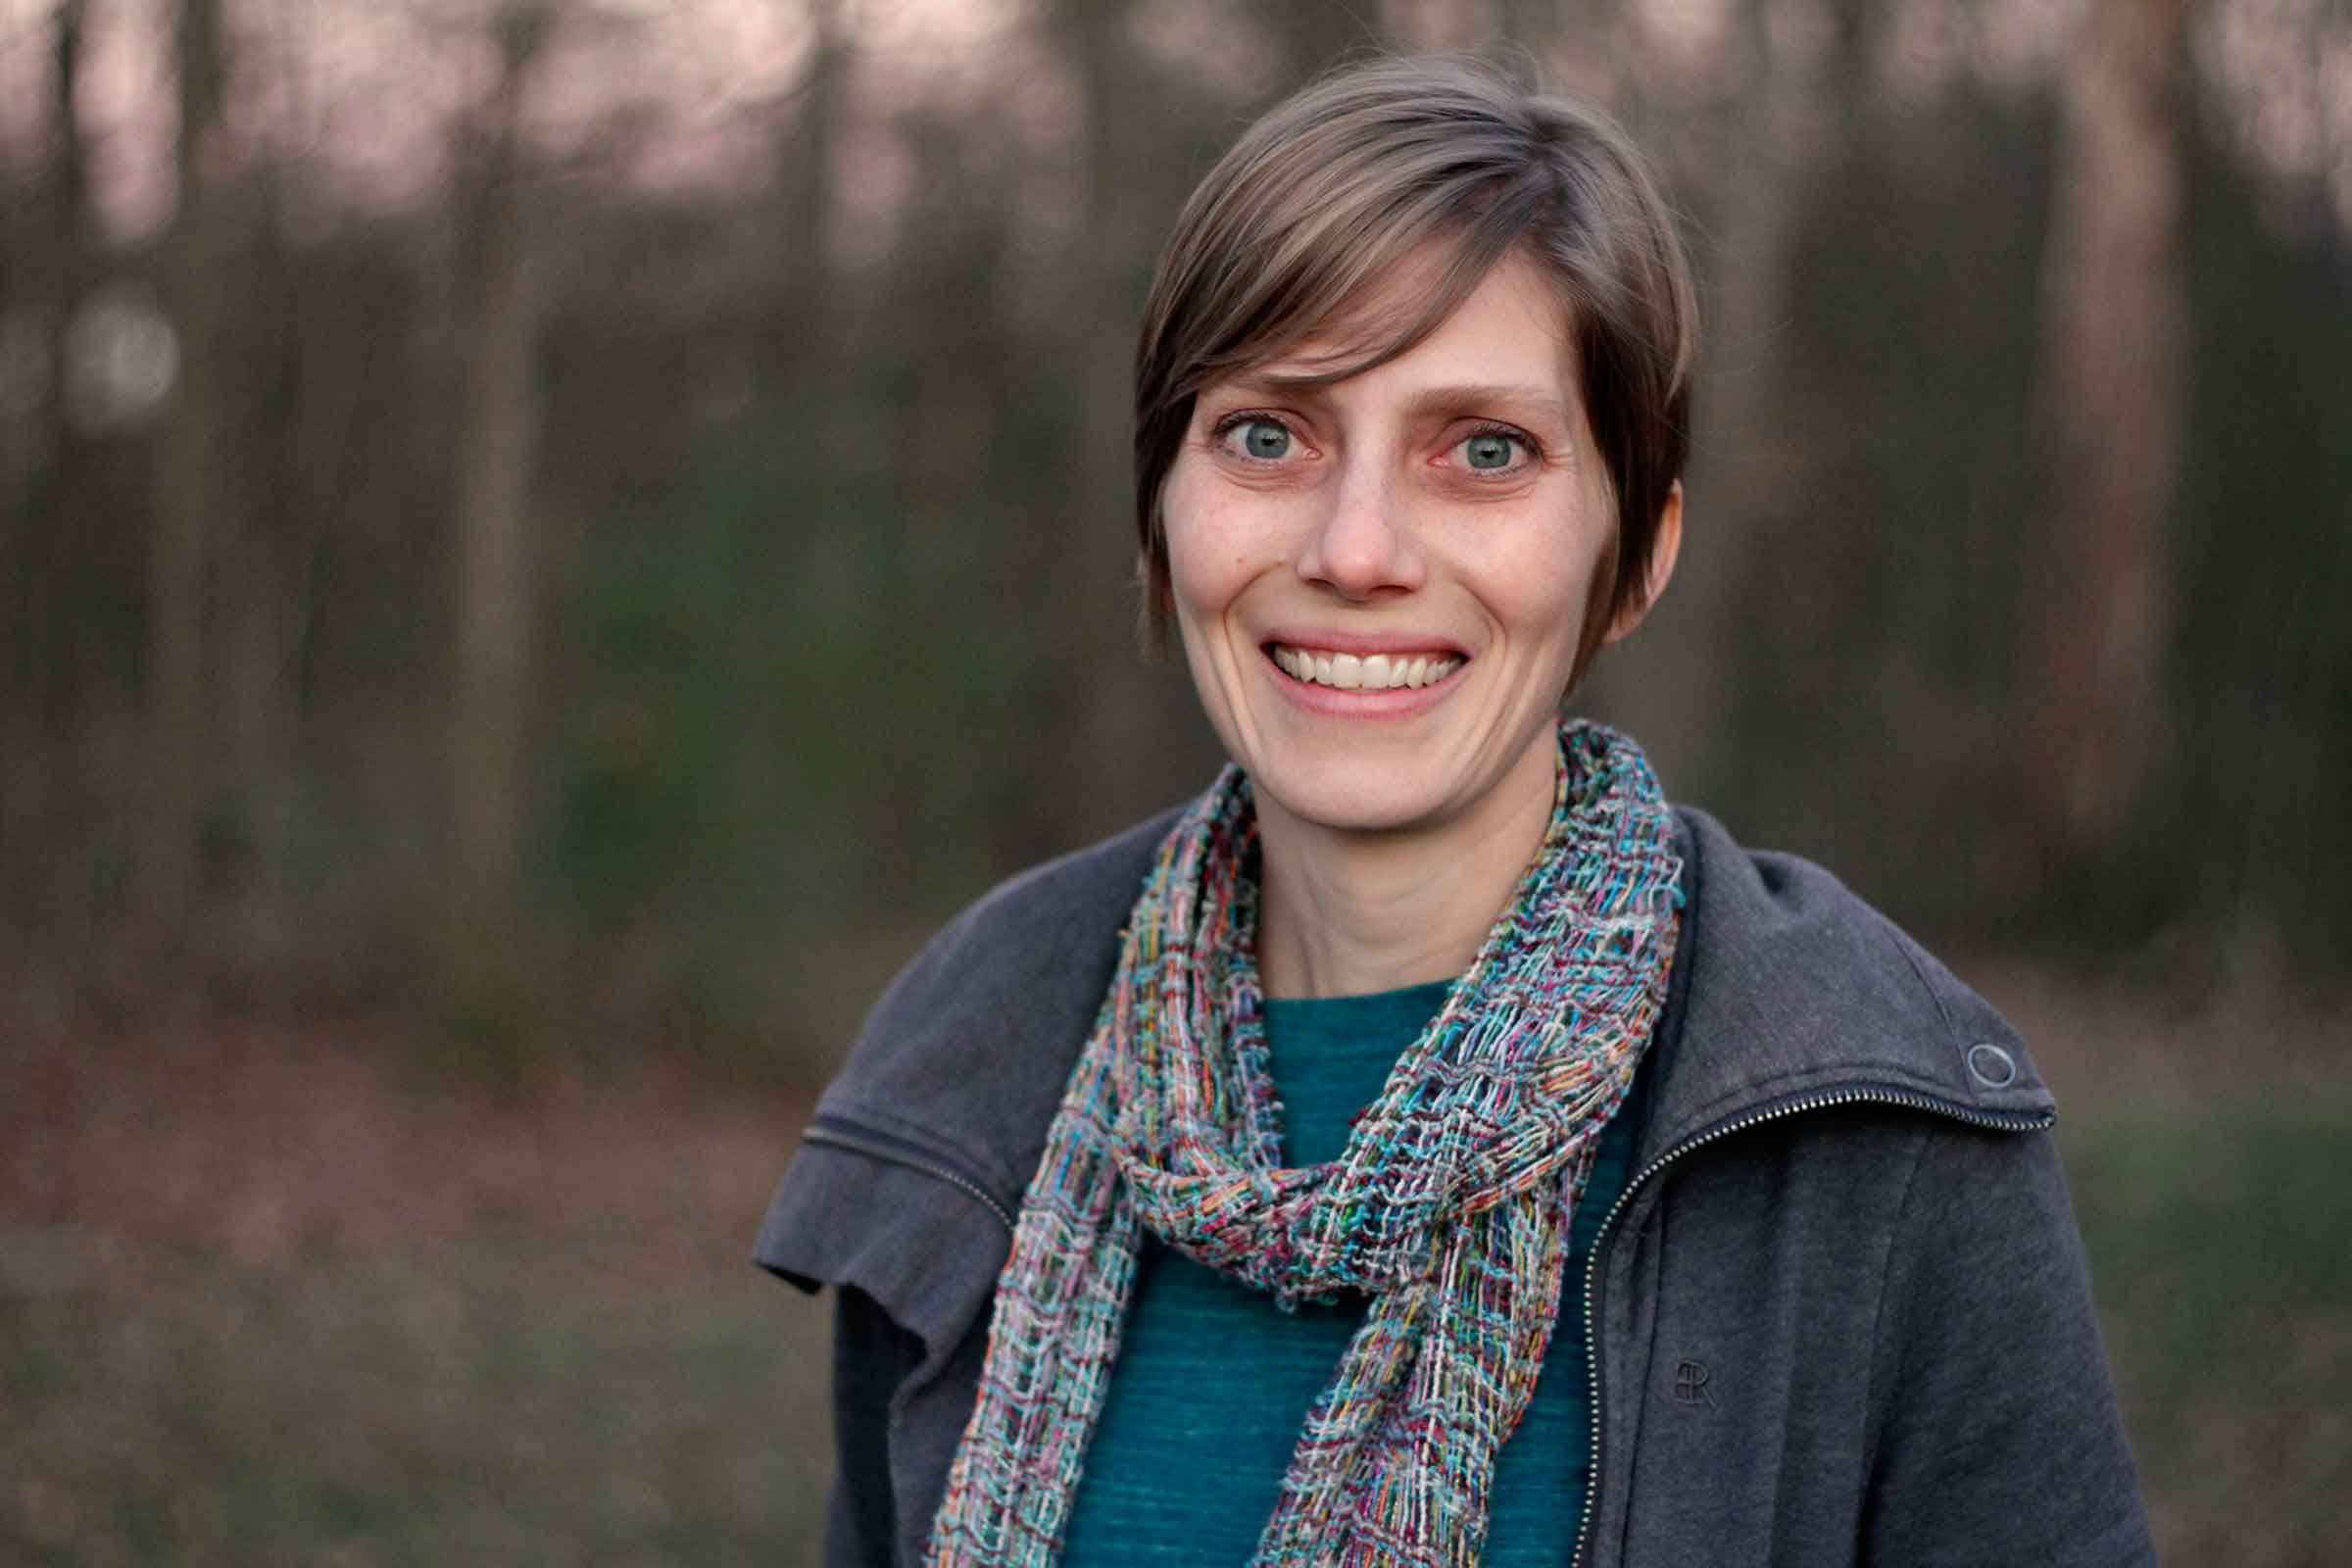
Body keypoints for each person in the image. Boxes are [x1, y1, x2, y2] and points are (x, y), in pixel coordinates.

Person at [756, 54, 2155, 1568]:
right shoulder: (980, 1055)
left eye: (1484, 451)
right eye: (1269, 434)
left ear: (1636, 547)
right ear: (1163, 505)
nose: (1358, 549)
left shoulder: (1882, 1129)